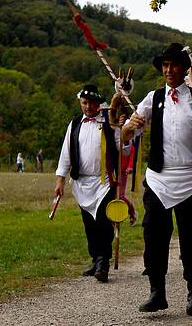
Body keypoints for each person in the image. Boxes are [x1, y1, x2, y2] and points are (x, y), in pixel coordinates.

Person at [121, 42, 192, 316]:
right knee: (153, 235)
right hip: (158, 180)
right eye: (165, 66)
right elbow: (130, 130)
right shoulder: (153, 98)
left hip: (191, 179)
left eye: (174, 65)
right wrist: (127, 129)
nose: (169, 70)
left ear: (184, 69)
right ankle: (157, 292)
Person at [55, 84, 129, 283]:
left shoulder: (109, 121)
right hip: (82, 183)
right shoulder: (75, 124)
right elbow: (66, 154)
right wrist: (60, 181)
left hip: (104, 182)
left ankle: (103, 262)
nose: (88, 107)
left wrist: (123, 131)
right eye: (84, 103)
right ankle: (95, 258)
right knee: (89, 224)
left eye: (92, 103)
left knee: (104, 223)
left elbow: (123, 149)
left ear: (99, 103)